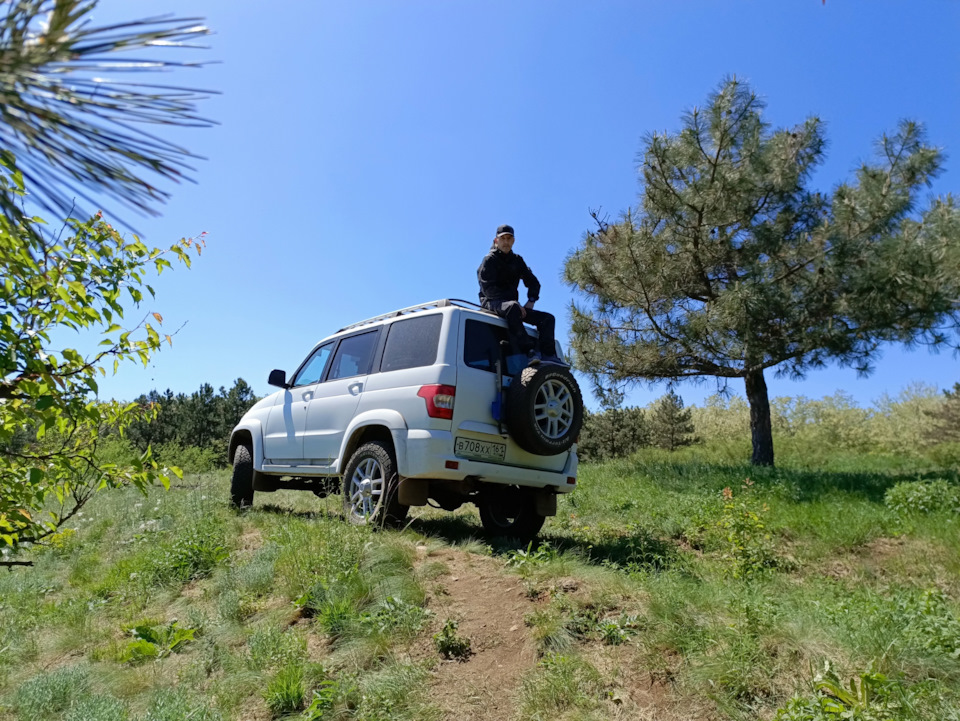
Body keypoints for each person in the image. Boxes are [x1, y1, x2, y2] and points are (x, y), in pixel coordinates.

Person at [477, 224, 567, 366]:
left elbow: (534, 282)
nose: (506, 242)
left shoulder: (517, 261)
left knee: (548, 319)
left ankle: (549, 356)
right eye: (503, 239)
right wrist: (516, 305)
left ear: (513, 241)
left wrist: (531, 300)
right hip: (491, 302)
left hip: (514, 308)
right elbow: (488, 289)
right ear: (496, 240)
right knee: (512, 307)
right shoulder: (489, 260)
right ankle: (529, 352)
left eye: (509, 238)